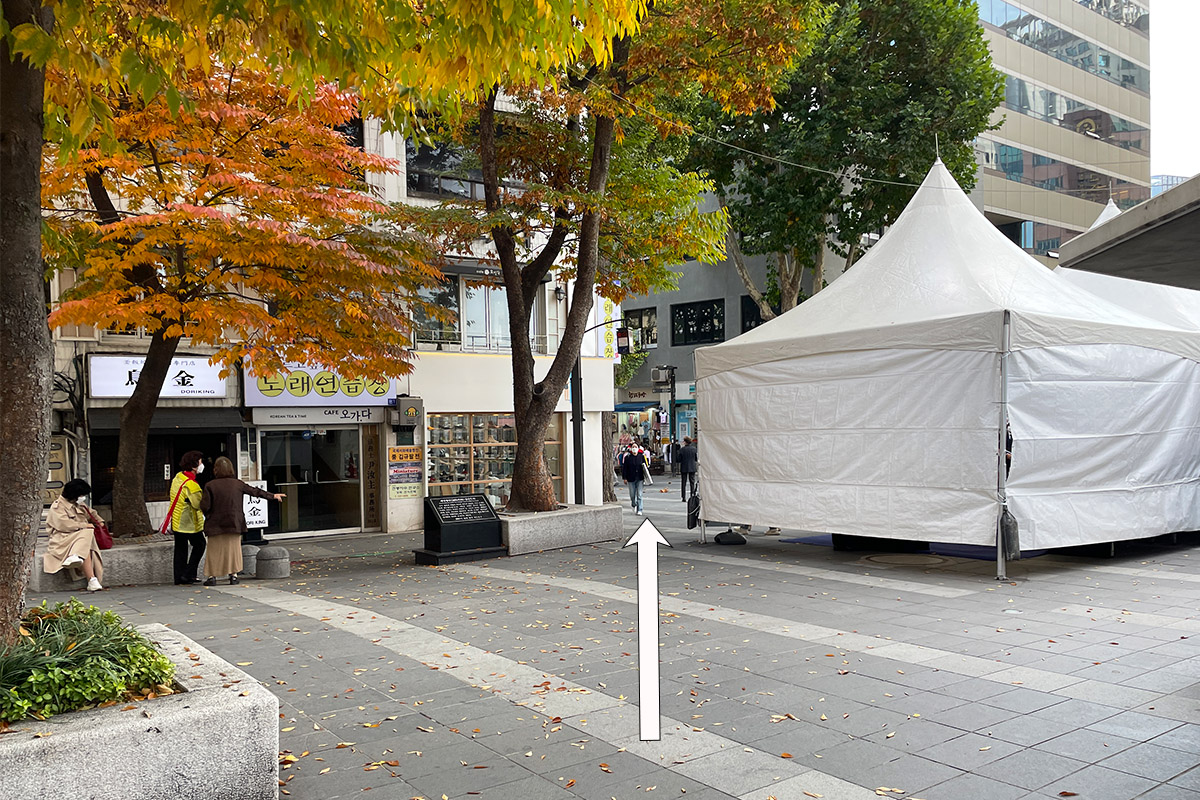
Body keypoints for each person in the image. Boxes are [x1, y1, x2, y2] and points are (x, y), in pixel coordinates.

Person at [200, 456, 285, 586]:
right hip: (234, 522)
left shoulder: (210, 485)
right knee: (233, 550)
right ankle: (233, 575)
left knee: (214, 551)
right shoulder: (237, 484)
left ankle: (212, 576)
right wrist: (272, 496)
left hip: (215, 524)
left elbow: (205, 506)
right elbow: (255, 492)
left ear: (216, 470)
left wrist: (209, 514)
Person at [44, 479, 105, 592]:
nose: (83, 497)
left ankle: (77, 558)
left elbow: (92, 513)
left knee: (86, 538)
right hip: (63, 539)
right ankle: (91, 579)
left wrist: (99, 522)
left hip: (79, 538)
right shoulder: (57, 507)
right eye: (81, 495)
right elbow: (63, 525)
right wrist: (84, 525)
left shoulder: (79, 504)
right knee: (87, 534)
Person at [168, 450, 207, 585]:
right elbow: (198, 504)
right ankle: (188, 573)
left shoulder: (178, 478)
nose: (202, 465)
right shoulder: (192, 485)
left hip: (177, 520)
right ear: (193, 466)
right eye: (200, 462)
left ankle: (179, 577)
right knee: (200, 545)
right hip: (189, 522)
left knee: (180, 549)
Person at [621, 443, 649, 516]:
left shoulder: (641, 456)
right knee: (632, 494)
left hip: (640, 478)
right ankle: (634, 504)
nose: (634, 448)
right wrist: (624, 478)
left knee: (639, 494)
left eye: (635, 447)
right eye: (633, 447)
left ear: (638, 448)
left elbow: (645, 466)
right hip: (630, 478)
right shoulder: (628, 457)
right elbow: (625, 468)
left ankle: (640, 509)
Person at [679, 436, 699, 502]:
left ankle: (683, 497)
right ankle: (692, 495)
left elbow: (678, 459)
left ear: (685, 442)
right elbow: (696, 458)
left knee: (683, 482)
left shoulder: (682, 450)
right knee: (692, 482)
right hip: (692, 467)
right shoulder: (694, 449)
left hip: (684, 467)